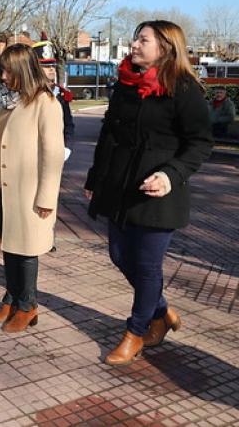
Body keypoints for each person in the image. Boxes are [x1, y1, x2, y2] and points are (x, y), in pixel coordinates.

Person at [85, 21, 212, 366]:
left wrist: (171, 175)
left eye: (143, 40)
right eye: (135, 38)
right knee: (118, 255)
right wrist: (95, 178)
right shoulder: (125, 84)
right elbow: (109, 135)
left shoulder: (183, 89)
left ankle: (136, 332)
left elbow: (200, 143)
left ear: (165, 47)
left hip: (158, 193)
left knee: (146, 266)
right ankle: (160, 311)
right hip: (120, 187)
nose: (134, 45)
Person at [0, 44, 65, 332]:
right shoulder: (8, 102)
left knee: (26, 250)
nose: (3, 76)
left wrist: (46, 197)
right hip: (4, 189)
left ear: (23, 70)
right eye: (1, 71)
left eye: (7, 71)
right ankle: (12, 298)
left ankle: (28, 306)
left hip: (29, 192)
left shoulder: (45, 103)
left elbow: (53, 155)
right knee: (10, 246)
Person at [33, 36, 74, 157]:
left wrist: (67, 147)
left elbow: (68, 124)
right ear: (36, 69)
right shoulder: (28, 93)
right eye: (46, 66)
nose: (51, 69)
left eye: (53, 65)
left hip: (55, 151)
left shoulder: (59, 93)